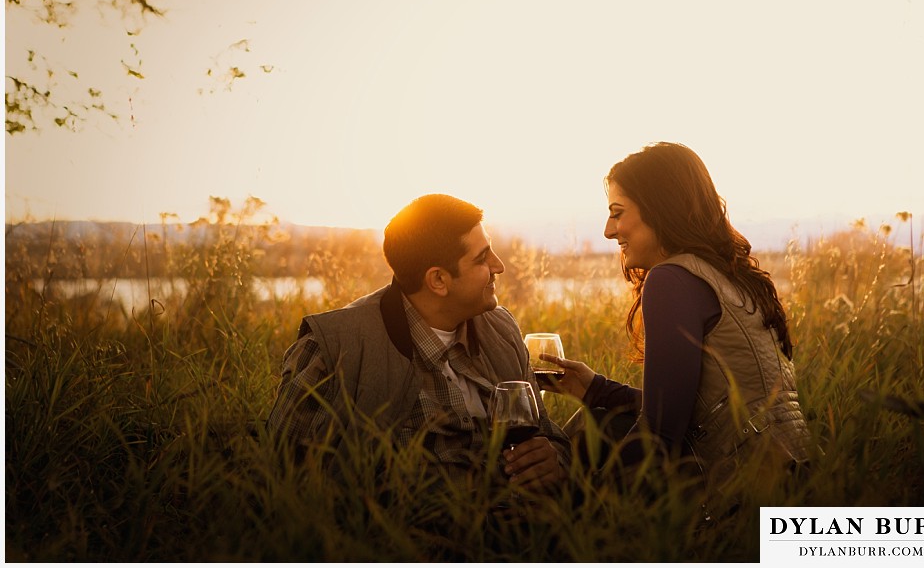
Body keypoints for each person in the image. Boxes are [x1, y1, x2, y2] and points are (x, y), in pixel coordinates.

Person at [540, 142, 812, 515]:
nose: (607, 230)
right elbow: (688, 412)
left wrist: (571, 504)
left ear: (659, 207)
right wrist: (596, 389)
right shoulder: (727, 276)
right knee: (604, 419)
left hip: (744, 503)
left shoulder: (672, 279)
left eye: (617, 213)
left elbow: (660, 437)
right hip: (792, 486)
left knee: (593, 434)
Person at [268, 193, 570, 492]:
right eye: (482, 258)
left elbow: (545, 429)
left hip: (523, 528)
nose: (499, 265)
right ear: (438, 280)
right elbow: (284, 477)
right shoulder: (330, 350)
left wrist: (552, 457)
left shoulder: (502, 328)